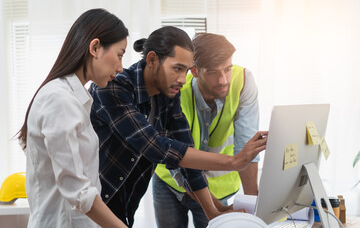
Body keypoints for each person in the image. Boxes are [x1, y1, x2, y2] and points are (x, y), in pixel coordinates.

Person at [89, 26, 267, 228]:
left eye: (185, 70)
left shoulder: (169, 95)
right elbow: (154, 146)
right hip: (90, 205)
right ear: (152, 60)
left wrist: (215, 213)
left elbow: (186, 158)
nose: (183, 79)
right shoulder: (112, 88)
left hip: (124, 203)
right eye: (177, 68)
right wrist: (233, 162)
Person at [17, 9, 128, 228]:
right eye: (119, 54)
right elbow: (77, 190)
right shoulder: (59, 99)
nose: (120, 67)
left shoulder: (75, 98)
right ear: (95, 47)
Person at [153, 33, 261, 228]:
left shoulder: (243, 82)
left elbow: (247, 149)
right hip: (170, 181)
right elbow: (179, 164)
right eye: (213, 72)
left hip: (219, 187)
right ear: (194, 71)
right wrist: (215, 209)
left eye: (227, 69)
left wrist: (255, 212)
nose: (223, 80)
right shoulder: (174, 93)